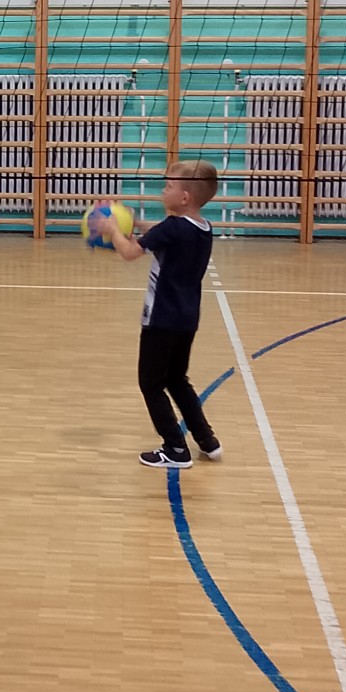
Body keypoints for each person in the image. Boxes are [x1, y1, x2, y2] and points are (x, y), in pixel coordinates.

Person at [98, 160, 222, 470]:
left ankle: (176, 449)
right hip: (187, 319)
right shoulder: (203, 228)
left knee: (151, 383)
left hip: (161, 319)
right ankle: (207, 440)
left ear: (184, 197)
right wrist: (136, 224)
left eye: (168, 186)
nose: (162, 191)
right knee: (177, 379)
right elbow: (162, 234)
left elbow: (130, 253)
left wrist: (114, 231)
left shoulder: (171, 228)